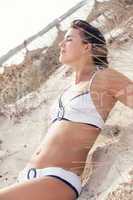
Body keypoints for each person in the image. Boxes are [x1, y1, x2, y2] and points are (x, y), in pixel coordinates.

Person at [0, 19, 133, 200]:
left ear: (87, 47)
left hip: (58, 179)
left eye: (69, 39)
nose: (61, 44)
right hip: (27, 179)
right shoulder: (67, 91)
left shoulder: (104, 77)